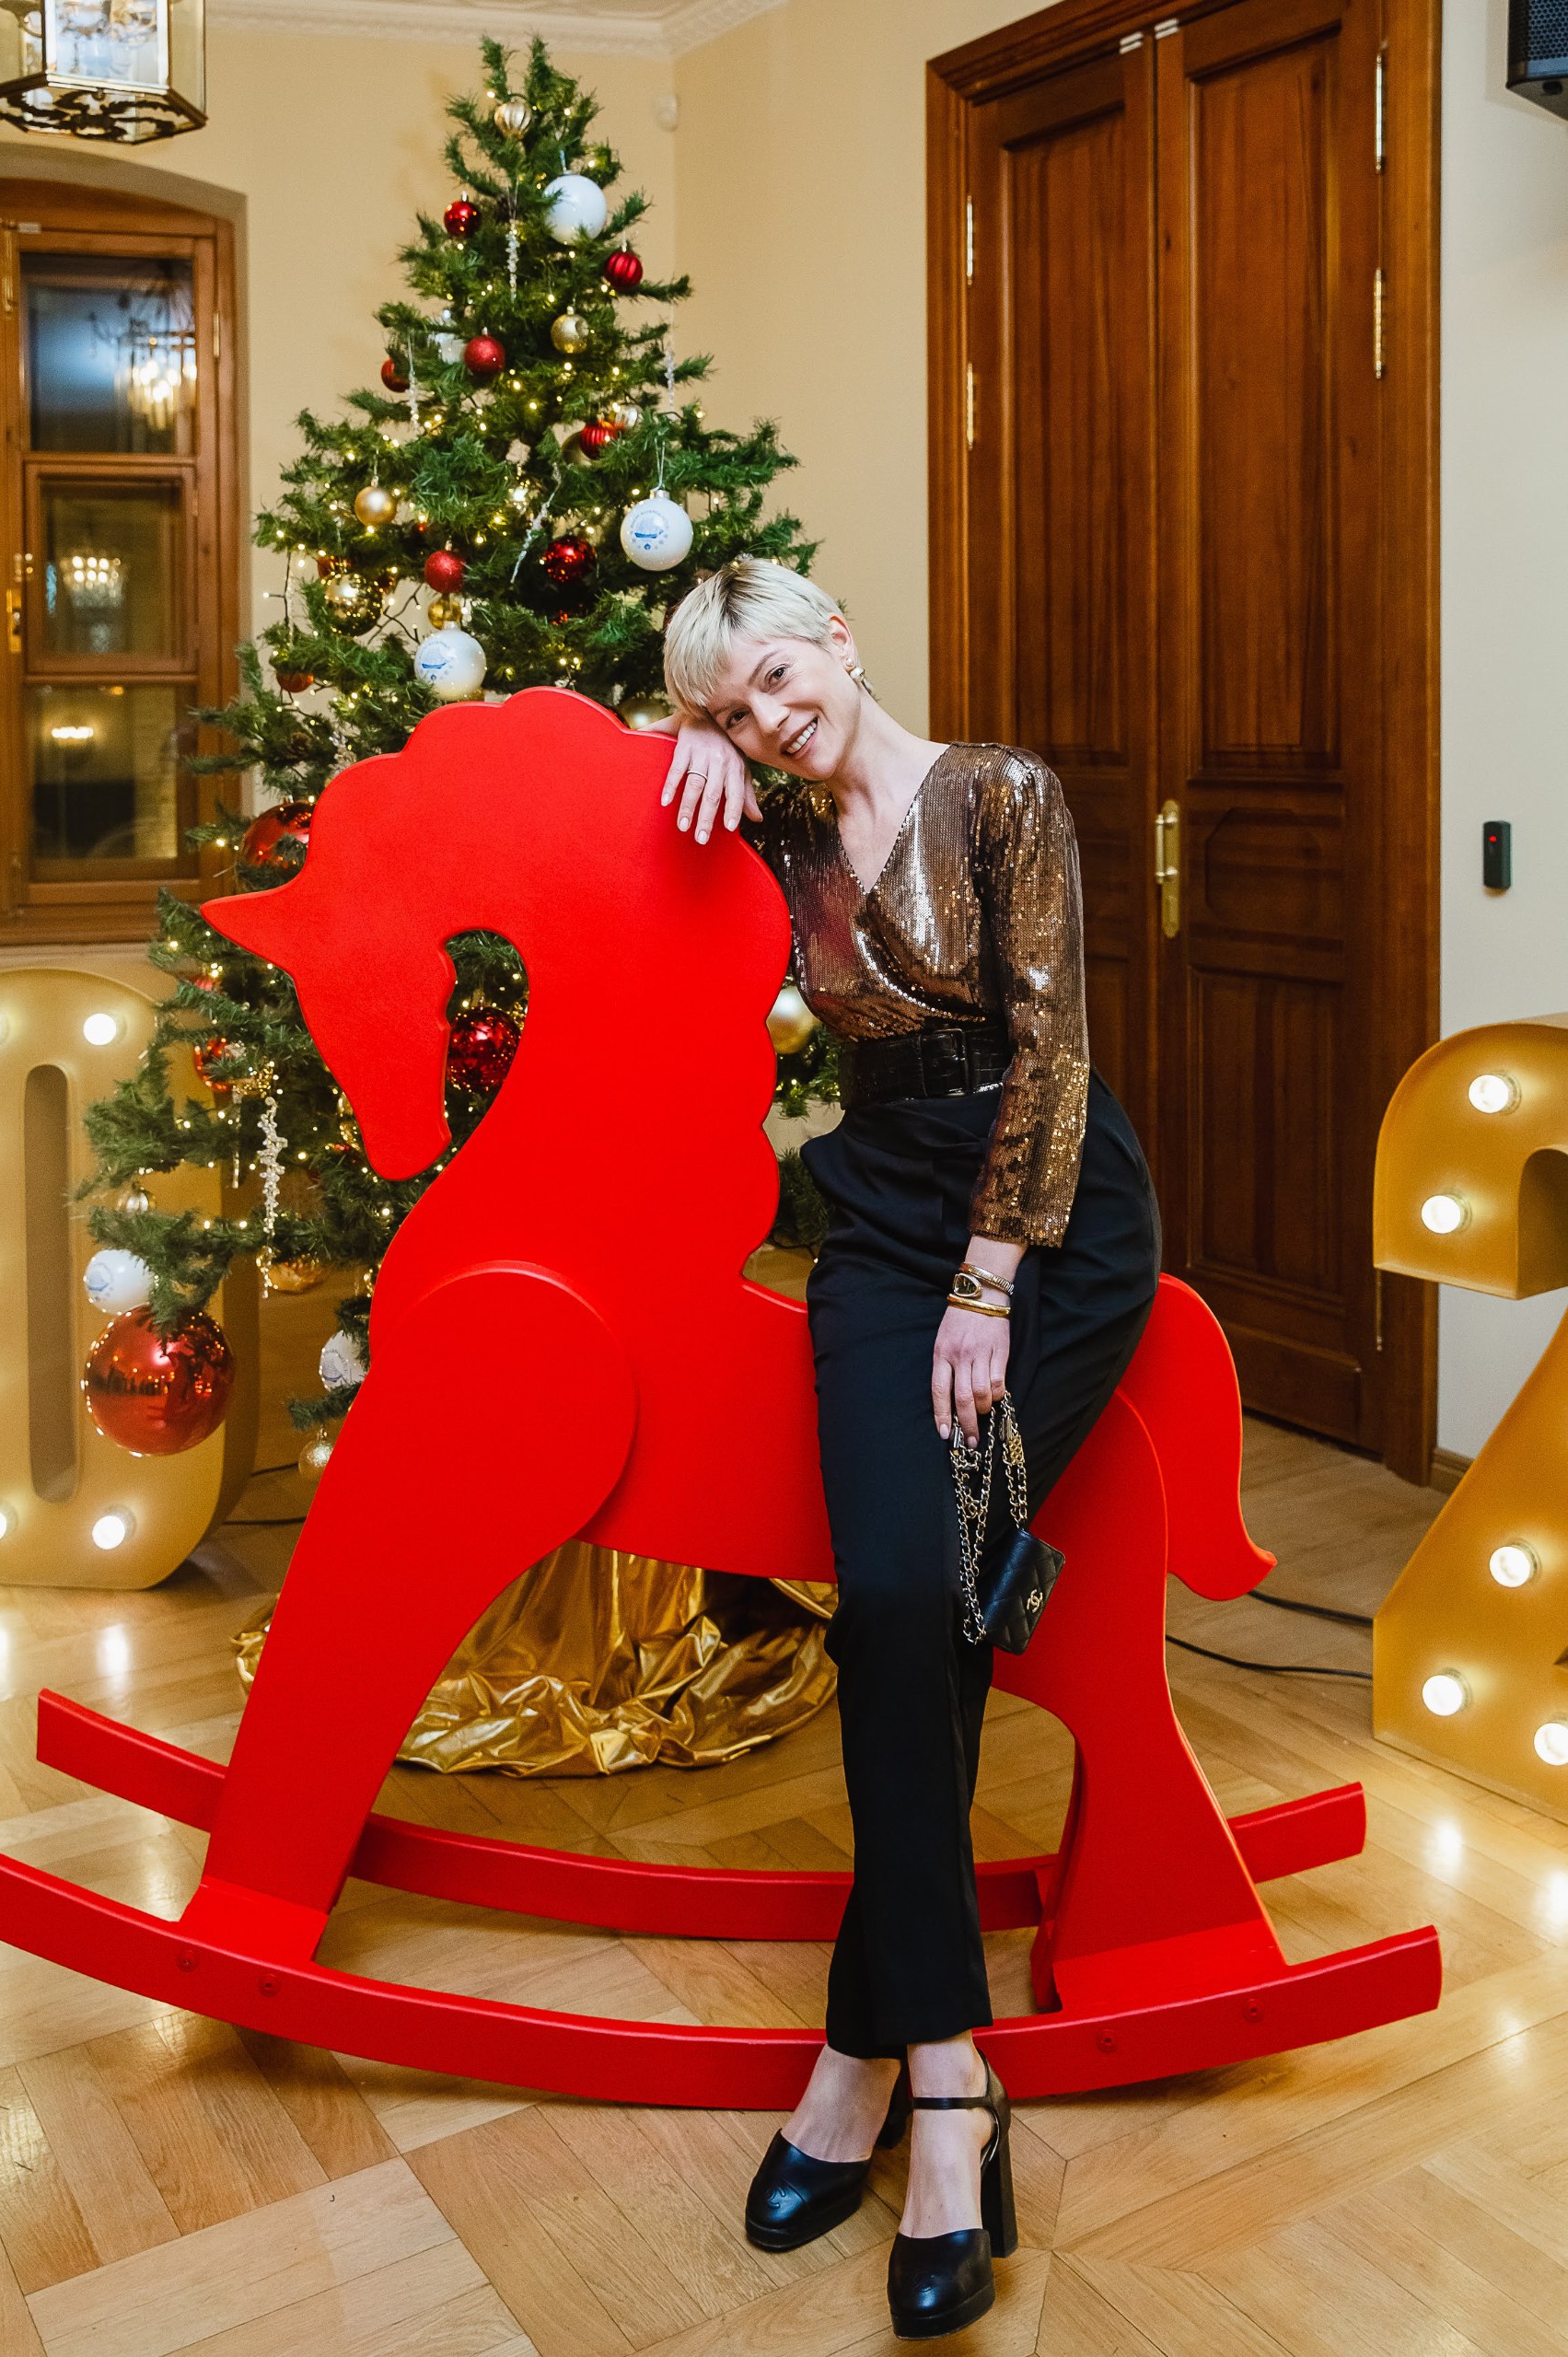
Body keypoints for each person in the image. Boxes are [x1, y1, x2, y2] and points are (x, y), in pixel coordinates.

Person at [654, 557, 1161, 2340]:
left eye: (776, 680)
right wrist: (667, 740)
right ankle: (943, 2062)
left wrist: (989, 1283)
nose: (767, 721)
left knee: (938, 1605)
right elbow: (582, 830)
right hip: (877, 1217)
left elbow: (1053, 1046)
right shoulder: (775, 826)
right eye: (732, 709)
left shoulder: (997, 790)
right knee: (891, 1591)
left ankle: (873, 2061)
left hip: (1049, 1227)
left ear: (839, 639)